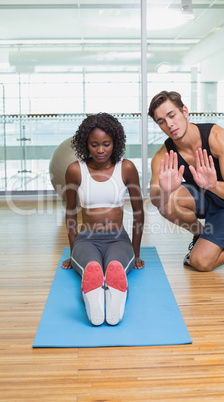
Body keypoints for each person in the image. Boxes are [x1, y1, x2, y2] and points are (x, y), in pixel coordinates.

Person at [148, 90, 224, 272]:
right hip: (206, 197)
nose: (169, 124)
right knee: (167, 203)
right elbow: (158, 201)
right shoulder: (162, 155)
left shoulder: (217, 137)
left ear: (185, 112)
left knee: (201, 263)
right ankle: (201, 236)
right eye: (161, 121)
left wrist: (212, 185)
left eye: (172, 115)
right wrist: (165, 190)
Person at [61, 112, 144, 326]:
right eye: (94, 145)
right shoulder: (75, 170)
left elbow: (139, 212)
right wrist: (73, 253)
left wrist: (135, 253)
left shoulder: (125, 168)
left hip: (118, 239)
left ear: (115, 143)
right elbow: (70, 212)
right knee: (92, 269)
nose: (100, 150)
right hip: (86, 239)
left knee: (115, 267)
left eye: (106, 144)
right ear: (85, 144)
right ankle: (94, 303)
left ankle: (115, 299)